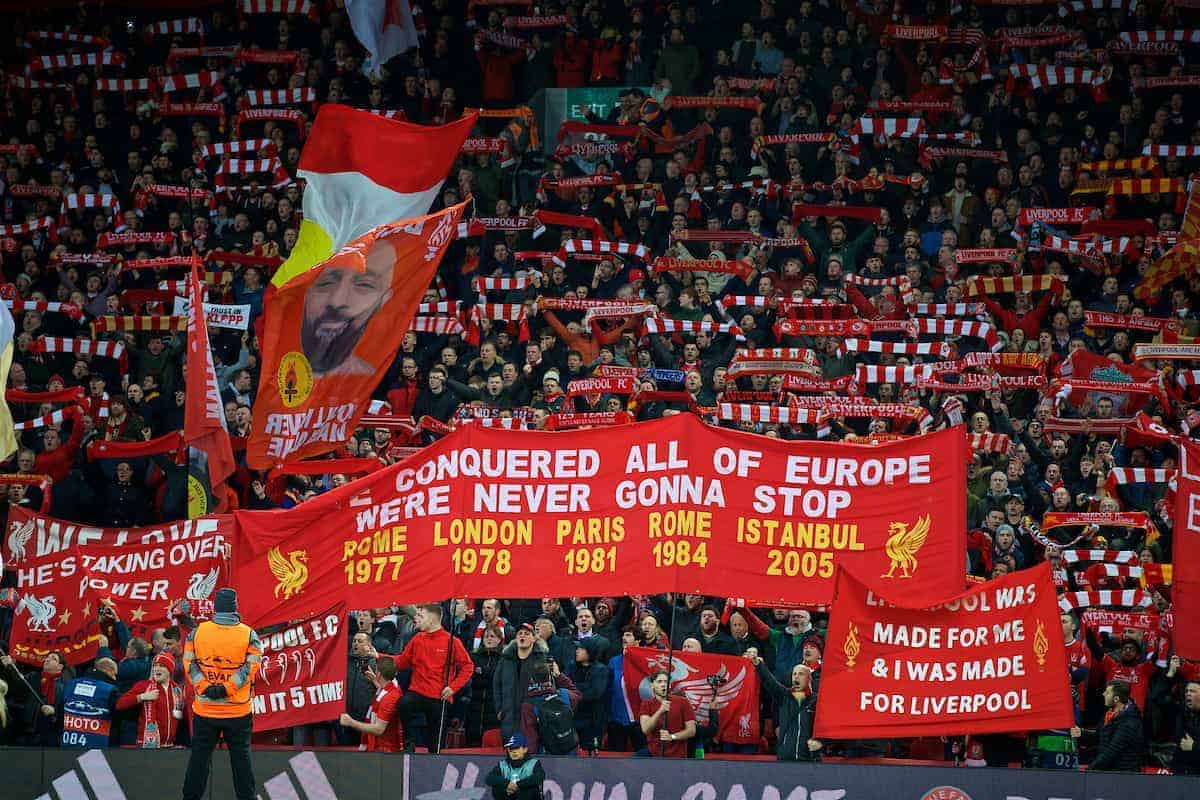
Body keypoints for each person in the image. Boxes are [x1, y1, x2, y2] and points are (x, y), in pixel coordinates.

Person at [182, 588, 264, 800]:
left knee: (199, 760)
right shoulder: (248, 634)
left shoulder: (197, 632)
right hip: (237, 710)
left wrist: (205, 687)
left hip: (205, 709)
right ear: (235, 606)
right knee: (241, 761)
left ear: (215, 607)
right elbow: (251, 667)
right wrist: (227, 689)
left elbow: (189, 662)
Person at [301, 237, 397, 376]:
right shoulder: (273, 358)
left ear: (383, 300)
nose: (337, 301)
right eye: (326, 283)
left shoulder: (367, 380)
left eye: (364, 284)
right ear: (306, 292)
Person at [394, 603, 473, 753]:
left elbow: (468, 667)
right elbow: (401, 662)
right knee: (404, 703)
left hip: (440, 696)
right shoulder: (417, 639)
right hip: (417, 692)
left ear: (431, 620)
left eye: (420, 616)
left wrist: (452, 688)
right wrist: (378, 656)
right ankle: (409, 743)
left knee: (435, 746)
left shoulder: (452, 641)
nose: (416, 619)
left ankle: (434, 760)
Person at [748, 649, 821, 761]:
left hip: (809, 760)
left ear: (809, 679)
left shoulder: (816, 701)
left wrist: (822, 743)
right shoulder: (785, 696)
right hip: (785, 759)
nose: (796, 677)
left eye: (801, 674)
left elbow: (826, 726)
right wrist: (758, 664)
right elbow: (770, 682)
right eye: (794, 674)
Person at [1071, 680, 1145, 771]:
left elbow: (1111, 752)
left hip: (1123, 775)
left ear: (1116, 699)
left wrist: (1089, 770)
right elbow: (1099, 736)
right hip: (1108, 771)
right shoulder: (1110, 713)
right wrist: (1081, 733)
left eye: (1107, 693)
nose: (1103, 694)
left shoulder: (1130, 722)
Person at [116, 652, 186, 748]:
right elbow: (120, 704)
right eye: (155, 666)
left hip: (169, 746)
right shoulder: (144, 685)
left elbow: (181, 717)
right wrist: (142, 697)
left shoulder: (177, 690)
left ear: (170, 670)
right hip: (147, 746)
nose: (157, 669)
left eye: (161, 666)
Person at [339, 656, 404, 752]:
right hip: (378, 749)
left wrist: (351, 722)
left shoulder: (390, 697)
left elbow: (379, 729)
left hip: (386, 754)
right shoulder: (388, 689)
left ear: (379, 673)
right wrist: (374, 679)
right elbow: (383, 691)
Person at [58, 657, 118, 749]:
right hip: (94, 749)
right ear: (108, 670)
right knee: (92, 764)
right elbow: (117, 717)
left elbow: (60, 714)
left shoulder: (70, 684)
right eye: (114, 674)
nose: (115, 678)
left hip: (67, 745)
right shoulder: (110, 690)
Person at [639, 668, 695, 758]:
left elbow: (691, 730)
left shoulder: (683, 702)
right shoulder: (646, 704)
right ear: (652, 685)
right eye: (659, 682)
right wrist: (660, 711)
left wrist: (672, 737)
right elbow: (646, 729)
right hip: (653, 753)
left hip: (677, 755)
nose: (663, 685)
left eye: (666, 682)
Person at [485, 732, 546, 800]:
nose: (514, 751)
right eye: (511, 749)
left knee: (530, 789)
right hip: (508, 796)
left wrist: (518, 785)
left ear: (525, 749)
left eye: (516, 747)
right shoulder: (502, 764)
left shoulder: (533, 763)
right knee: (497, 788)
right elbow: (489, 778)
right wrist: (508, 784)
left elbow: (539, 776)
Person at [1172, 679, 1200, 775]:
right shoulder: (1182, 714)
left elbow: (1190, 746)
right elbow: (1158, 698)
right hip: (1181, 773)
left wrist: (1194, 747)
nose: (1188, 694)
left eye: (1192, 691)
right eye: (1186, 691)